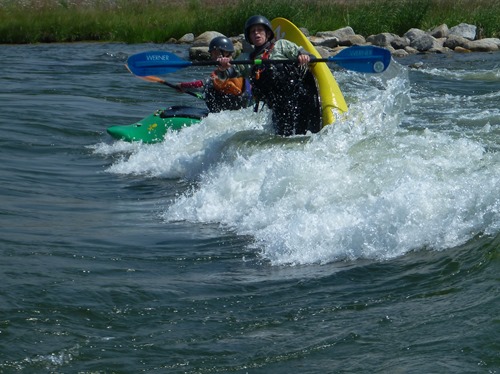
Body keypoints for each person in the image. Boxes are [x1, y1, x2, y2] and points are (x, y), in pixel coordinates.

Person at [218, 15, 321, 136]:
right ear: (249, 37)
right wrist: (223, 67)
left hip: (300, 100)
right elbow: (225, 76)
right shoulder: (246, 59)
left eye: (260, 30)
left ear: (267, 33)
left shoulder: (282, 46)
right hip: (278, 110)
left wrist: (305, 57)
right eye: (252, 32)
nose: (256, 34)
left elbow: (311, 57)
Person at [176, 36, 251, 113]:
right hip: (235, 109)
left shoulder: (236, 68)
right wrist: (185, 88)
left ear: (226, 53)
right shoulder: (223, 70)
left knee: (209, 89)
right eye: (212, 54)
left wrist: (182, 86)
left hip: (234, 109)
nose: (213, 57)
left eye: (216, 53)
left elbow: (202, 84)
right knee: (210, 88)